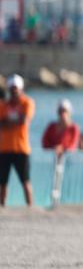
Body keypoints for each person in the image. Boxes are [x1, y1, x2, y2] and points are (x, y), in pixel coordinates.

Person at [0, 74, 35, 206]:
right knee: (2, 183)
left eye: (16, 90)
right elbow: (1, 124)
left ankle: (30, 207)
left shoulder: (27, 102)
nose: (14, 93)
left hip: (22, 149)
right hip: (4, 149)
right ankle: (2, 207)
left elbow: (24, 120)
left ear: (20, 89)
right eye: (12, 90)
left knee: (25, 181)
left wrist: (8, 121)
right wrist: (15, 120)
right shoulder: (3, 105)